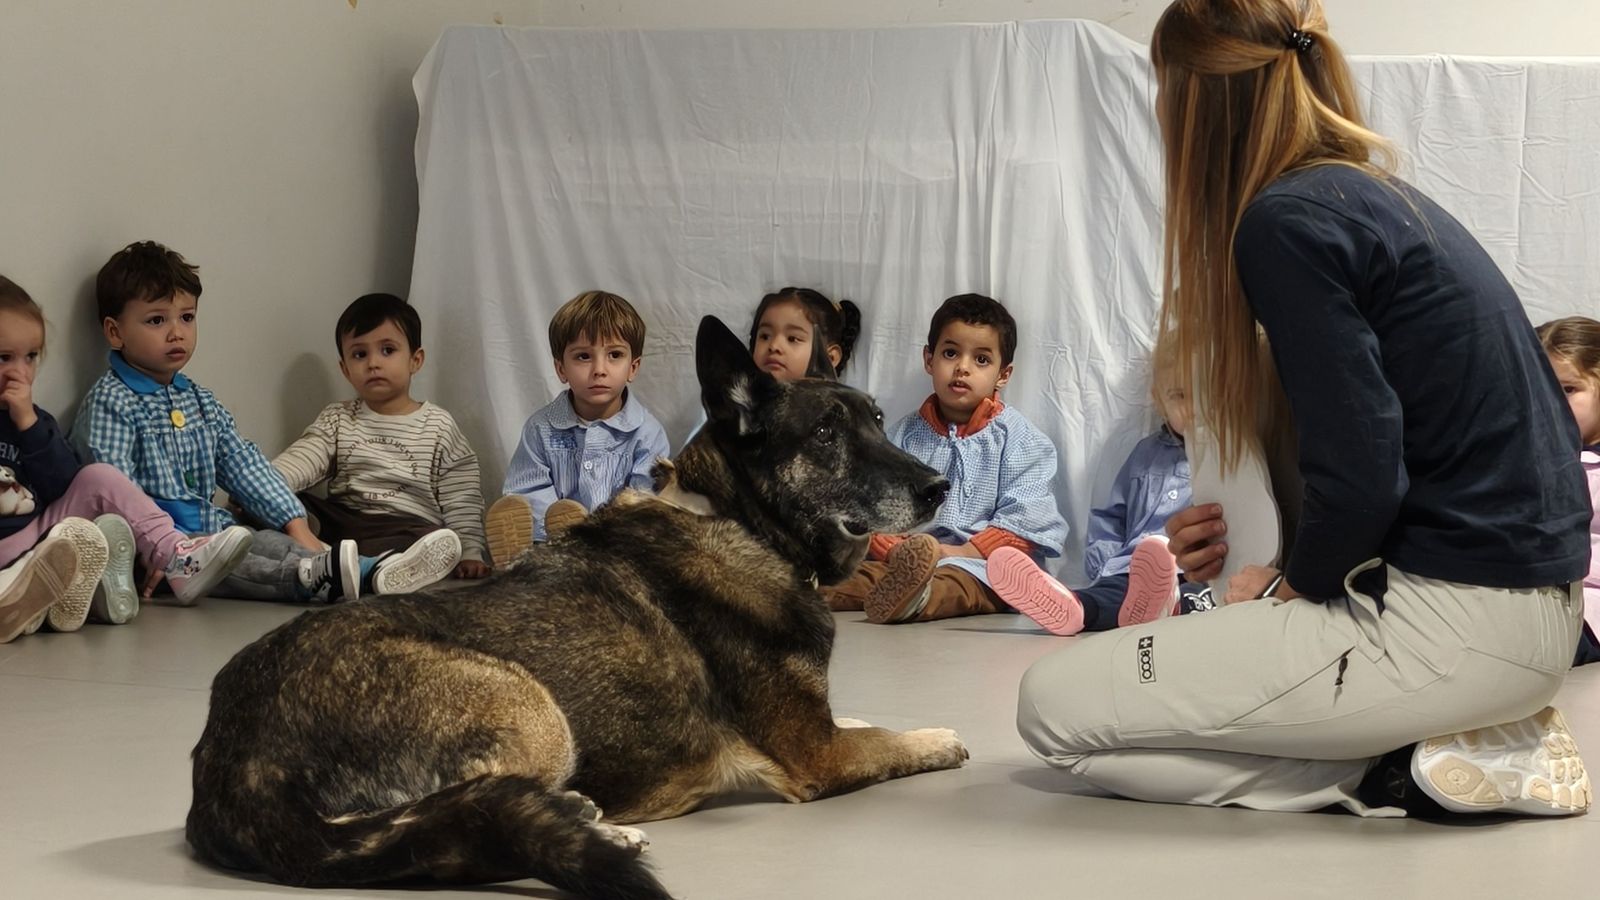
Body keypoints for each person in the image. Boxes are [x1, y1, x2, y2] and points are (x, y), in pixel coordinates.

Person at [1017, 0, 1591, 819]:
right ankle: (1445, 740)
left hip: (1449, 629)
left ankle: (1393, 767)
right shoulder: (1374, 200)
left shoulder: (1287, 221)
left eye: (1163, 89)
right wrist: (1247, 541)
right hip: (1528, 622)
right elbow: (1386, 446)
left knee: (1052, 710)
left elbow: (1363, 472)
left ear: (1196, 98)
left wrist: (1291, 588)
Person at [73, 242, 460, 604]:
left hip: (215, 532)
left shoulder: (198, 401)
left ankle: (371, 570)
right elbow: (116, 492)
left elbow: (243, 464)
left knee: (268, 541)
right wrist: (154, 548)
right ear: (115, 332)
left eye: (187, 317)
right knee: (245, 564)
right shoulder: (113, 401)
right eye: (157, 320)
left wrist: (294, 524)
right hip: (167, 553)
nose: (177, 332)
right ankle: (314, 578)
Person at [0, 274, 250, 641]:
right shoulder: (110, 399)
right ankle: (29, 595)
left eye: (31, 357)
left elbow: (64, 485)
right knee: (64, 548)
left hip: (37, 543)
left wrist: (28, 425)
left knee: (96, 478)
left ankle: (176, 557)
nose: (20, 372)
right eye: (4, 358)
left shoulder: (33, 422)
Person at [824, 293, 1068, 624]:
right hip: (901, 560)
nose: (962, 367)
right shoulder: (902, 436)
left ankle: (918, 600)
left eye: (981, 360)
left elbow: (1025, 521)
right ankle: (802, 594)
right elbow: (870, 508)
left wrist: (957, 553)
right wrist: (896, 550)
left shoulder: (1022, 441)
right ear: (929, 359)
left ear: (1003, 374)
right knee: (854, 575)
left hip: (981, 566)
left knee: (963, 586)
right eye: (950, 353)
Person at [987, 340, 1210, 634]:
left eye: (1205, 395)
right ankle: (1075, 609)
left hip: (1197, 569)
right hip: (1134, 571)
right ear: (1159, 400)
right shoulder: (1145, 454)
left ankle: (1175, 606)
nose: (1193, 409)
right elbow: (1112, 516)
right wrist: (1107, 563)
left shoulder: (1231, 457)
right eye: (1179, 396)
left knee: (1203, 595)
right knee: (1108, 595)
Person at [273, 293, 488, 579]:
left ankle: (381, 567)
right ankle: (334, 559)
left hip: (404, 527)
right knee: (288, 504)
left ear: (415, 360)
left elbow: (461, 495)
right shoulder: (338, 417)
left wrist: (471, 551)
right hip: (345, 523)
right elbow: (304, 457)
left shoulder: (438, 425)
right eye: (360, 355)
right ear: (345, 369)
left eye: (387, 350)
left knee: (435, 538)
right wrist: (264, 484)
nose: (373, 363)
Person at [483, 290, 670, 564]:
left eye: (614, 355)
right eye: (583, 356)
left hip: (617, 546)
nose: (599, 369)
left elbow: (645, 498)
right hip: (551, 543)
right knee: (525, 510)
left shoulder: (647, 434)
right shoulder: (541, 428)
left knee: (647, 528)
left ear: (633, 367)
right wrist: (556, 523)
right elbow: (527, 487)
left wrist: (602, 533)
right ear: (561, 369)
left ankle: (577, 554)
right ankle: (524, 558)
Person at [1535, 315, 1600, 666]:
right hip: (1542, 599)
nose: (1552, 402)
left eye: (1569, 389)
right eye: (1540, 388)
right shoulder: (1532, 456)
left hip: (1588, 615)